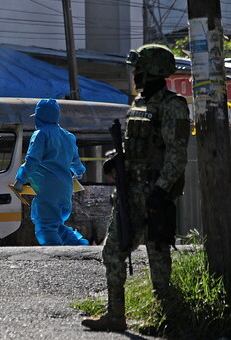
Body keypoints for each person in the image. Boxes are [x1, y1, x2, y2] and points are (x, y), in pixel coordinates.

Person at [82, 44, 190, 332]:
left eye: (140, 69)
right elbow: (134, 149)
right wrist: (114, 163)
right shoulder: (138, 105)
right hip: (130, 193)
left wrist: (161, 189)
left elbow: (177, 154)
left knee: (158, 255)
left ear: (154, 71)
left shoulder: (173, 106)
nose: (135, 74)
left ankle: (166, 318)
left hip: (155, 193)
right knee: (113, 251)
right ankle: (115, 315)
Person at [12, 99, 88, 246]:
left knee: (45, 227)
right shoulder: (68, 136)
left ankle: (55, 258)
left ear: (39, 116)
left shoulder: (40, 134)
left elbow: (32, 160)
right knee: (57, 225)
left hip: (47, 190)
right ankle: (79, 247)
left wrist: (20, 180)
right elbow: (76, 163)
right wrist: (79, 172)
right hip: (65, 190)